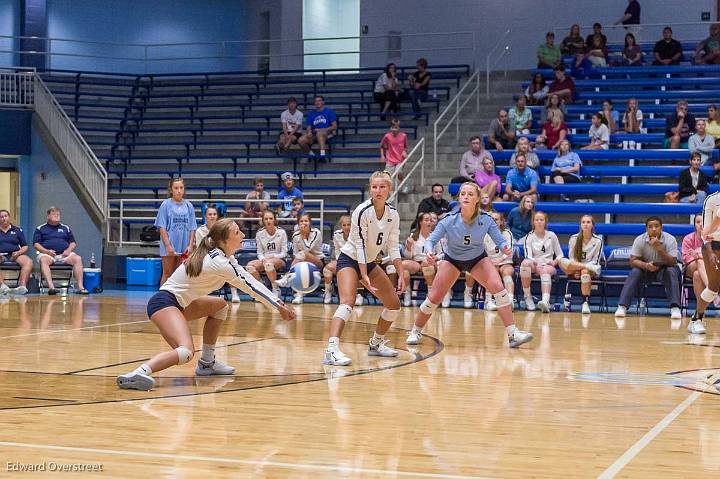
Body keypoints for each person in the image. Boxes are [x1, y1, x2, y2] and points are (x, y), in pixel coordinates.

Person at [116, 218, 296, 391]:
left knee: (219, 306)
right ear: (225, 240)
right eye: (237, 232)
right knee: (186, 351)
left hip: (179, 304)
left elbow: (249, 280)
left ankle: (207, 363)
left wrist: (277, 304)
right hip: (164, 303)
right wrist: (279, 306)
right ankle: (138, 373)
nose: (242, 235)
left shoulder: (224, 257)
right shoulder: (218, 262)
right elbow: (250, 285)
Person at [405, 182, 533, 348]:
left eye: (470, 194)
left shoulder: (486, 219)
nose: (465, 196)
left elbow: (500, 240)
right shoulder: (449, 220)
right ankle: (415, 330)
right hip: (452, 260)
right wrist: (429, 251)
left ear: (478, 199)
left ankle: (513, 333)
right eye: (463, 193)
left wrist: (506, 249)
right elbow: (431, 240)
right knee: (434, 298)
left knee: (499, 289)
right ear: (459, 197)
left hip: (477, 259)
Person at [323, 171, 405, 366]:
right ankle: (331, 350)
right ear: (370, 189)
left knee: (393, 304)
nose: (378, 190)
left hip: (368, 262)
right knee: (348, 302)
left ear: (389, 189)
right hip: (349, 259)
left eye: (382, 187)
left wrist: (401, 273)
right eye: (374, 187)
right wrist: (363, 275)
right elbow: (359, 245)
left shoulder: (393, 214)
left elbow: (393, 247)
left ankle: (375, 344)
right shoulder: (361, 211)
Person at [614, 216, 682, 320]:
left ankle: (675, 307)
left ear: (661, 227)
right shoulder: (639, 239)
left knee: (672, 271)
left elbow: (673, 262)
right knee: (635, 271)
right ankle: (622, 306)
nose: (654, 229)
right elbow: (632, 261)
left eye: (656, 226)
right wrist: (646, 266)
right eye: (650, 226)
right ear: (646, 229)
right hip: (646, 269)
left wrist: (659, 249)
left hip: (665, 269)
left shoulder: (670, 239)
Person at [33, 206, 89, 295]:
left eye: (58, 214)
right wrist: (46, 251)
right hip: (48, 254)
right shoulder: (40, 228)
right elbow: (36, 244)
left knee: (77, 258)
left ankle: (80, 287)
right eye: (54, 214)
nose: (57, 216)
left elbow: (73, 242)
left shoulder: (65, 228)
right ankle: (51, 288)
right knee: (44, 260)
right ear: (48, 216)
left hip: (64, 254)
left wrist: (68, 250)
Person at [195, 204, 242, 304]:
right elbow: (200, 249)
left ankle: (234, 292)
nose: (212, 216)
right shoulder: (200, 231)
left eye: (214, 214)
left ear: (217, 216)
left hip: (222, 255)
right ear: (205, 216)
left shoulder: (223, 230)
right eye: (210, 214)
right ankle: (202, 293)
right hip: (206, 257)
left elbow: (227, 245)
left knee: (232, 261)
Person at [688, 194, 720, 334]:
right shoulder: (712, 200)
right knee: (713, 288)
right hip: (714, 246)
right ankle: (696, 319)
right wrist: (710, 251)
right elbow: (706, 231)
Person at [520, 211, 564, 312]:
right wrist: (537, 263)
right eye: (537, 220)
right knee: (525, 264)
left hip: (548, 265)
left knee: (545, 270)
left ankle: (545, 301)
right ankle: (527, 297)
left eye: (541, 220)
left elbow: (560, 254)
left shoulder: (551, 235)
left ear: (545, 222)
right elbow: (528, 256)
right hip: (535, 264)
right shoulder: (529, 236)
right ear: (533, 222)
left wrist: (554, 262)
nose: (539, 222)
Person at [155, 178, 196, 285]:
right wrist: (168, 246)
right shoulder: (165, 205)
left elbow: (192, 227)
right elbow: (162, 227)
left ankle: (176, 300)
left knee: (179, 275)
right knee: (167, 274)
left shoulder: (189, 206)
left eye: (181, 188)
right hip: (169, 245)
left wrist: (190, 245)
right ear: (171, 190)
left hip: (184, 246)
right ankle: (162, 300)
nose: (179, 190)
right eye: (176, 188)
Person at [560, 215, 603, 315]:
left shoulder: (598, 240)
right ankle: (584, 268)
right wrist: (576, 270)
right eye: (583, 222)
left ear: (592, 225)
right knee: (561, 260)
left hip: (592, 268)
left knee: (585, 271)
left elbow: (595, 261)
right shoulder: (574, 238)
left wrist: (581, 269)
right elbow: (572, 258)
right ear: (580, 225)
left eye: (588, 222)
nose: (586, 224)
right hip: (576, 267)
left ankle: (585, 302)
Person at [279, 212, 324, 305]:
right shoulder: (295, 235)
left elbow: (308, 249)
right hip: (302, 261)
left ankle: (287, 276)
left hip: (317, 261)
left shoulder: (316, 232)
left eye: (306, 221)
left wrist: (303, 237)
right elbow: (295, 253)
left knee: (303, 253)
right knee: (300, 258)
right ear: (298, 223)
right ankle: (298, 295)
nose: (304, 223)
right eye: (301, 221)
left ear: (310, 222)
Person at [399, 212, 443, 307]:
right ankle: (407, 293)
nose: (429, 222)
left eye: (431, 221)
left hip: (430, 262)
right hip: (417, 263)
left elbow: (441, 253)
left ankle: (430, 294)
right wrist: (409, 247)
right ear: (420, 222)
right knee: (403, 264)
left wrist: (436, 257)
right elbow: (408, 256)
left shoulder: (435, 236)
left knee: (427, 264)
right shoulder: (413, 236)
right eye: (426, 220)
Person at [246, 210, 288, 298]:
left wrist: (272, 257)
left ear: (274, 220)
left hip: (280, 259)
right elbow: (260, 252)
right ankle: (262, 288)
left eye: (270, 218)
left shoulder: (281, 232)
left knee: (269, 264)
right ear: (263, 221)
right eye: (266, 219)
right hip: (265, 259)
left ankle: (275, 288)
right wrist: (262, 259)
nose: (268, 221)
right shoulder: (259, 233)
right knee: (249, 266)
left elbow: (284, 253)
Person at [683, 215, 711, 334]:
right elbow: (687, 259)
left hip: (708, 270)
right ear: (695, 225)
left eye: (703, 221)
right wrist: (700, 257)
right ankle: (712, 290)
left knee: (697, 275)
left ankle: (697, 317)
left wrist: (698, 255)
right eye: (698, 222)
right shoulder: (689, 238)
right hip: (691, 265)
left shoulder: (713, 238)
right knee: (698, 264)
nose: (700, 224)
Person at [483, 211, 516, 311]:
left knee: (507, 272)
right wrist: (490, 262)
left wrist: (499, 260)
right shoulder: (484, 234)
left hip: (505, 261)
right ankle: (488, 301)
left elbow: (509, 251)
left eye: (496, 219)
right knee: (491, 272)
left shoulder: (507, 233)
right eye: (491, 219)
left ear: (501, 222)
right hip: (490, 262)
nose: (493, 221)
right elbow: (481, 252)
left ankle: (510, 300)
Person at [0, 209, 31, 294]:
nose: (4, 218)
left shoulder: (17, 230)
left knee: (28, 261)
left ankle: (22, 286)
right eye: (1, 217)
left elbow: (25, 246)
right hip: (1, 256)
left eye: (5, 216)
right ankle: (2, 286)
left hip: (15, 255)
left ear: (9, 218)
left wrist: (19, 253)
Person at [323, 215, 351, 304]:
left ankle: (358, 294)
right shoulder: (336, 234)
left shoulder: (356, 234)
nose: (346, 227)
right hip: (342, 259)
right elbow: (337, 251)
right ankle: (328, 292)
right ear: (341, 226)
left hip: (355, 260)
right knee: (327, 269)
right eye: (344, 225)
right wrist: (341, 262)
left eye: (348, 225)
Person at [380, 118, 408, 186]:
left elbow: (406, 147)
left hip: (400, 159)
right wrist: (382, 156)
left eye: (396, 127)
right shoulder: (387, 136)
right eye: (393, 127)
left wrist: (404, 151)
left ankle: (404, 184)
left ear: (399, 128)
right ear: (390, 128)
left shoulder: (404, 136)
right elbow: (382, 146)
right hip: (390, 160)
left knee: (399, 172)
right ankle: (392, 193)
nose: (394, 129)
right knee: (388, 177)